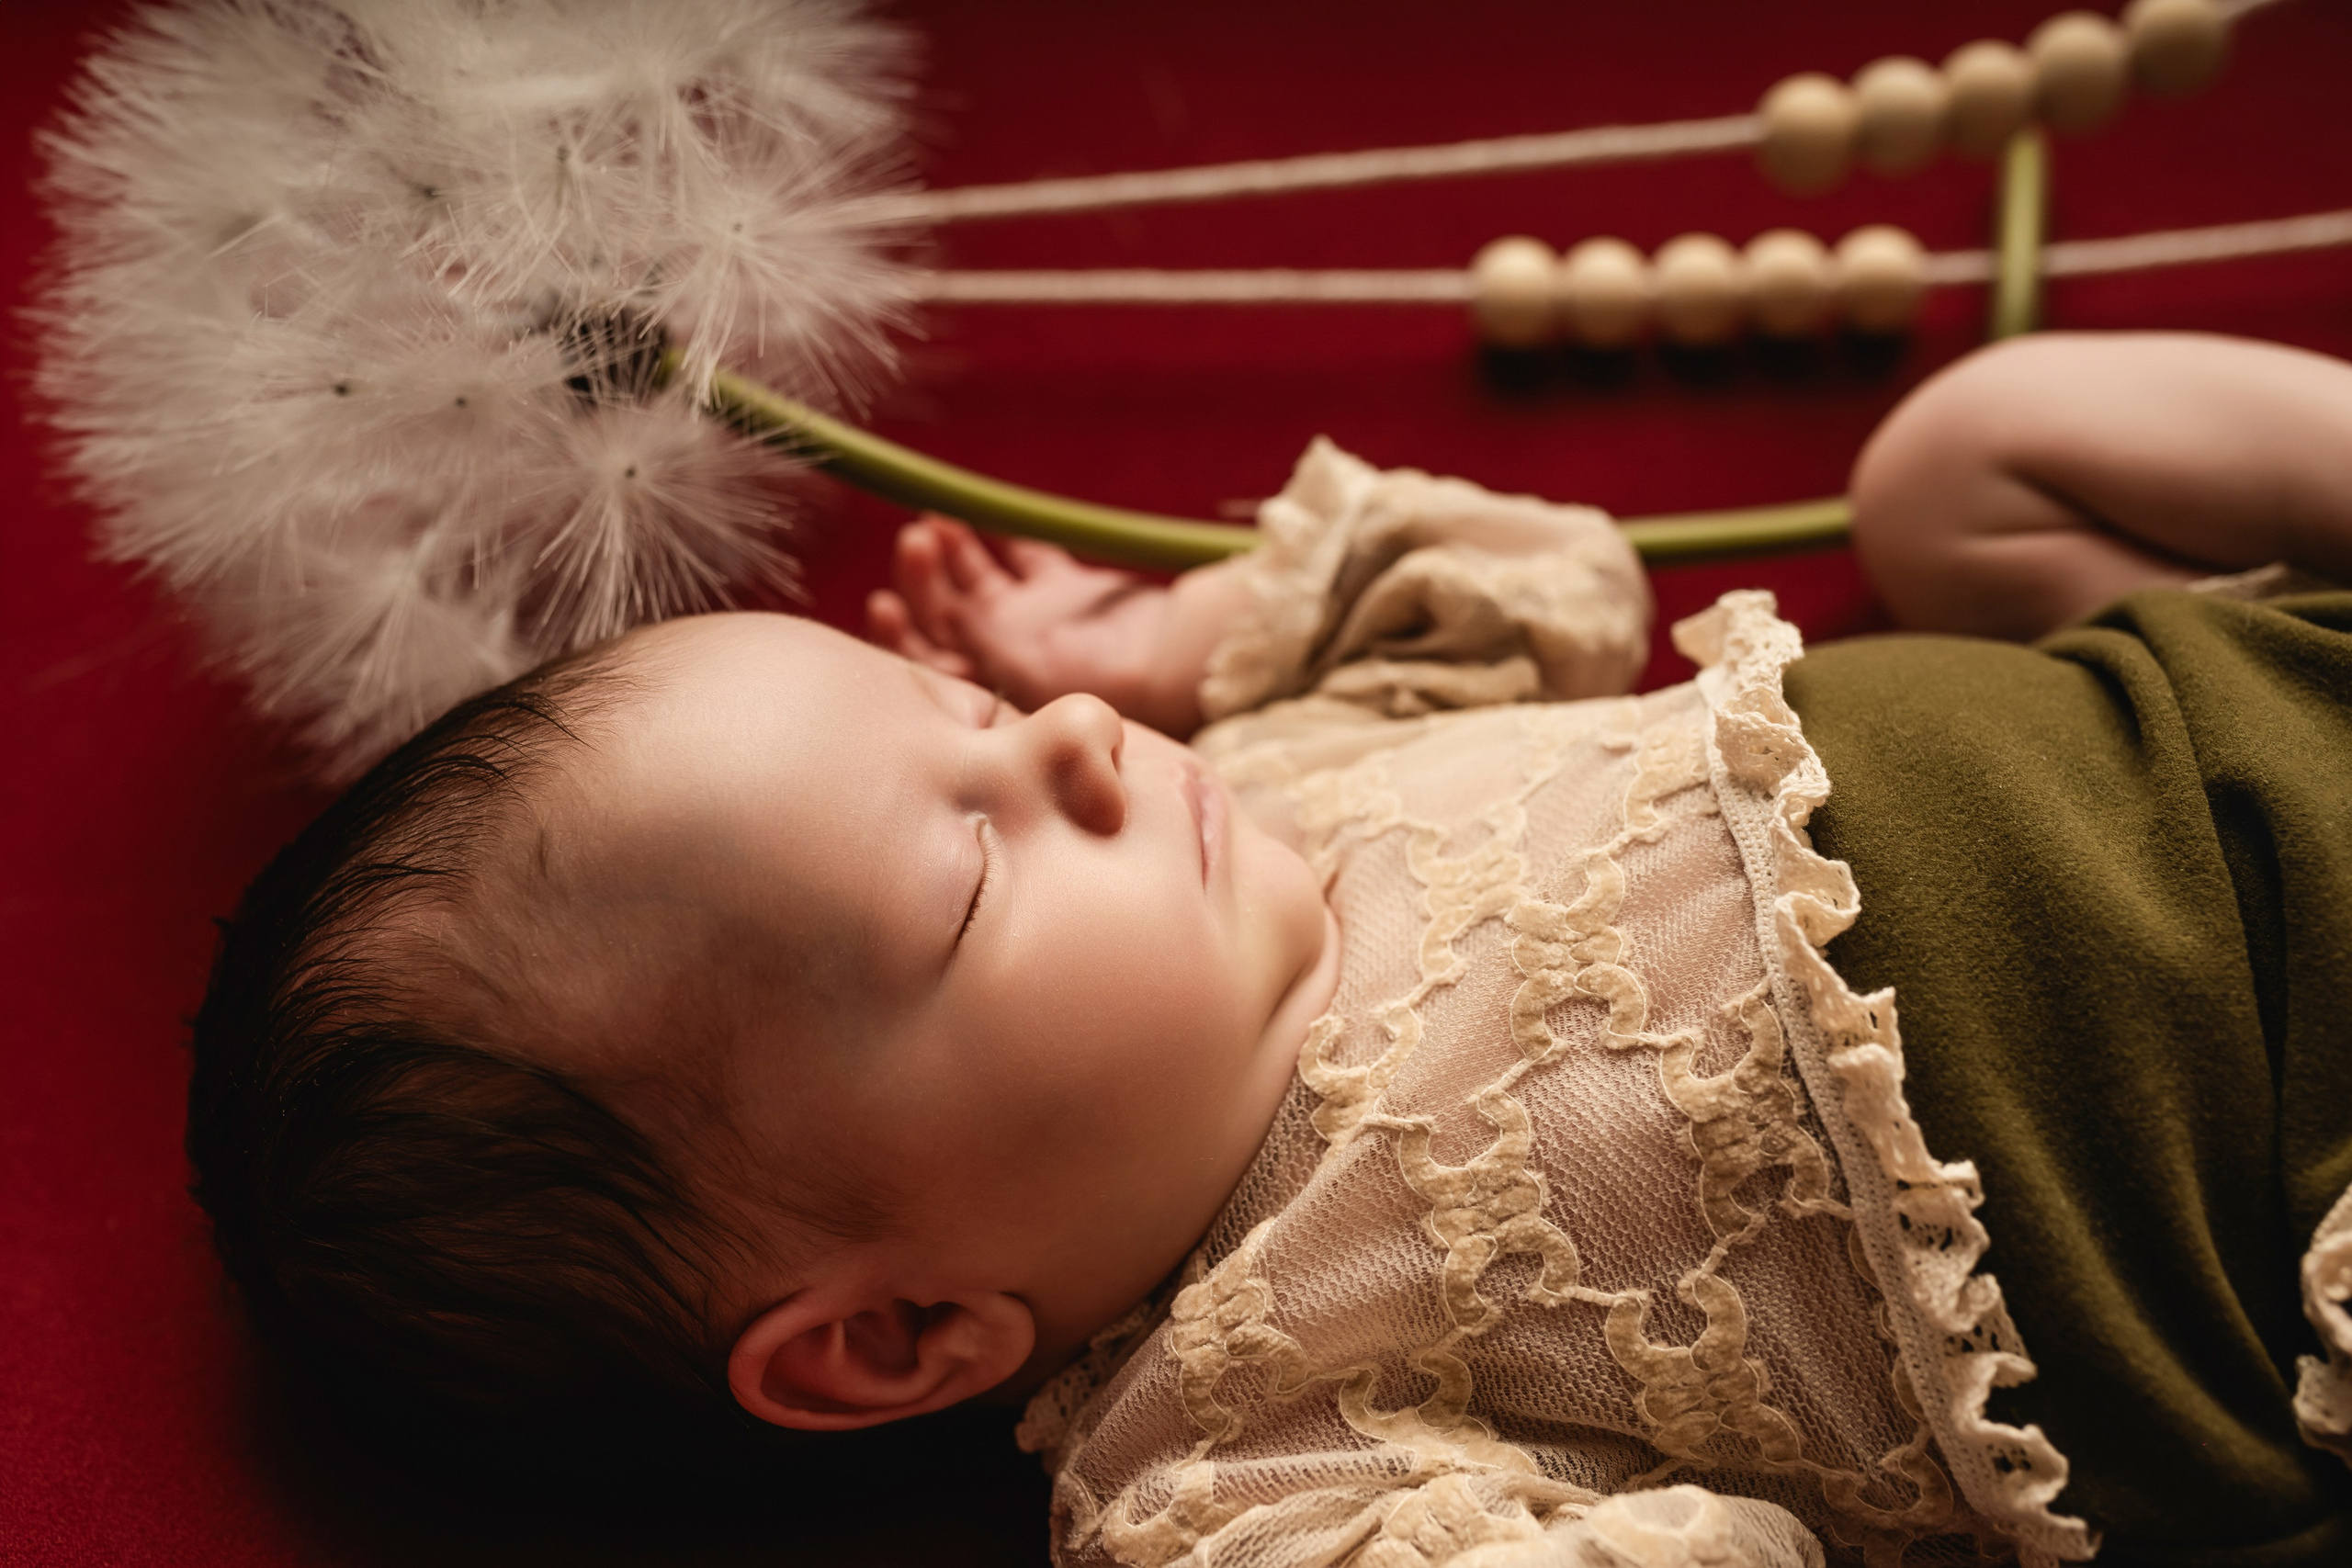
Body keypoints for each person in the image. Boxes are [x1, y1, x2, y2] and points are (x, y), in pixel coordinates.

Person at [185, 332, 2352, 1566]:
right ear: (900, 1329)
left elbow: (1518, 575)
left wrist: (1149, 634)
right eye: (960, 874)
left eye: (972, 716)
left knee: (1954, 463)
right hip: (2282, 1160)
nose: (1072, 748)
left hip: (2247, 697)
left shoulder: (1280, 786)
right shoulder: (1236, 1456)